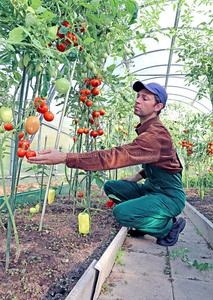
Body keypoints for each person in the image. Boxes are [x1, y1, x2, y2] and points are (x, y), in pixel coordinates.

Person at [27, 81, 186, 246]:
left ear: (157, 107)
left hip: (169, 197)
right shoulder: (148, 131)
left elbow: (114, 157)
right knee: (110, 186)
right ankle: (146, 220)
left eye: (145, 98)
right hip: (151, 191)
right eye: (138, 96)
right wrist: (135, 178)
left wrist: (66, 157)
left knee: (121, 213)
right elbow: (162, 162)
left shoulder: (156, 135)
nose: (138, 100)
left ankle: (168, 227)